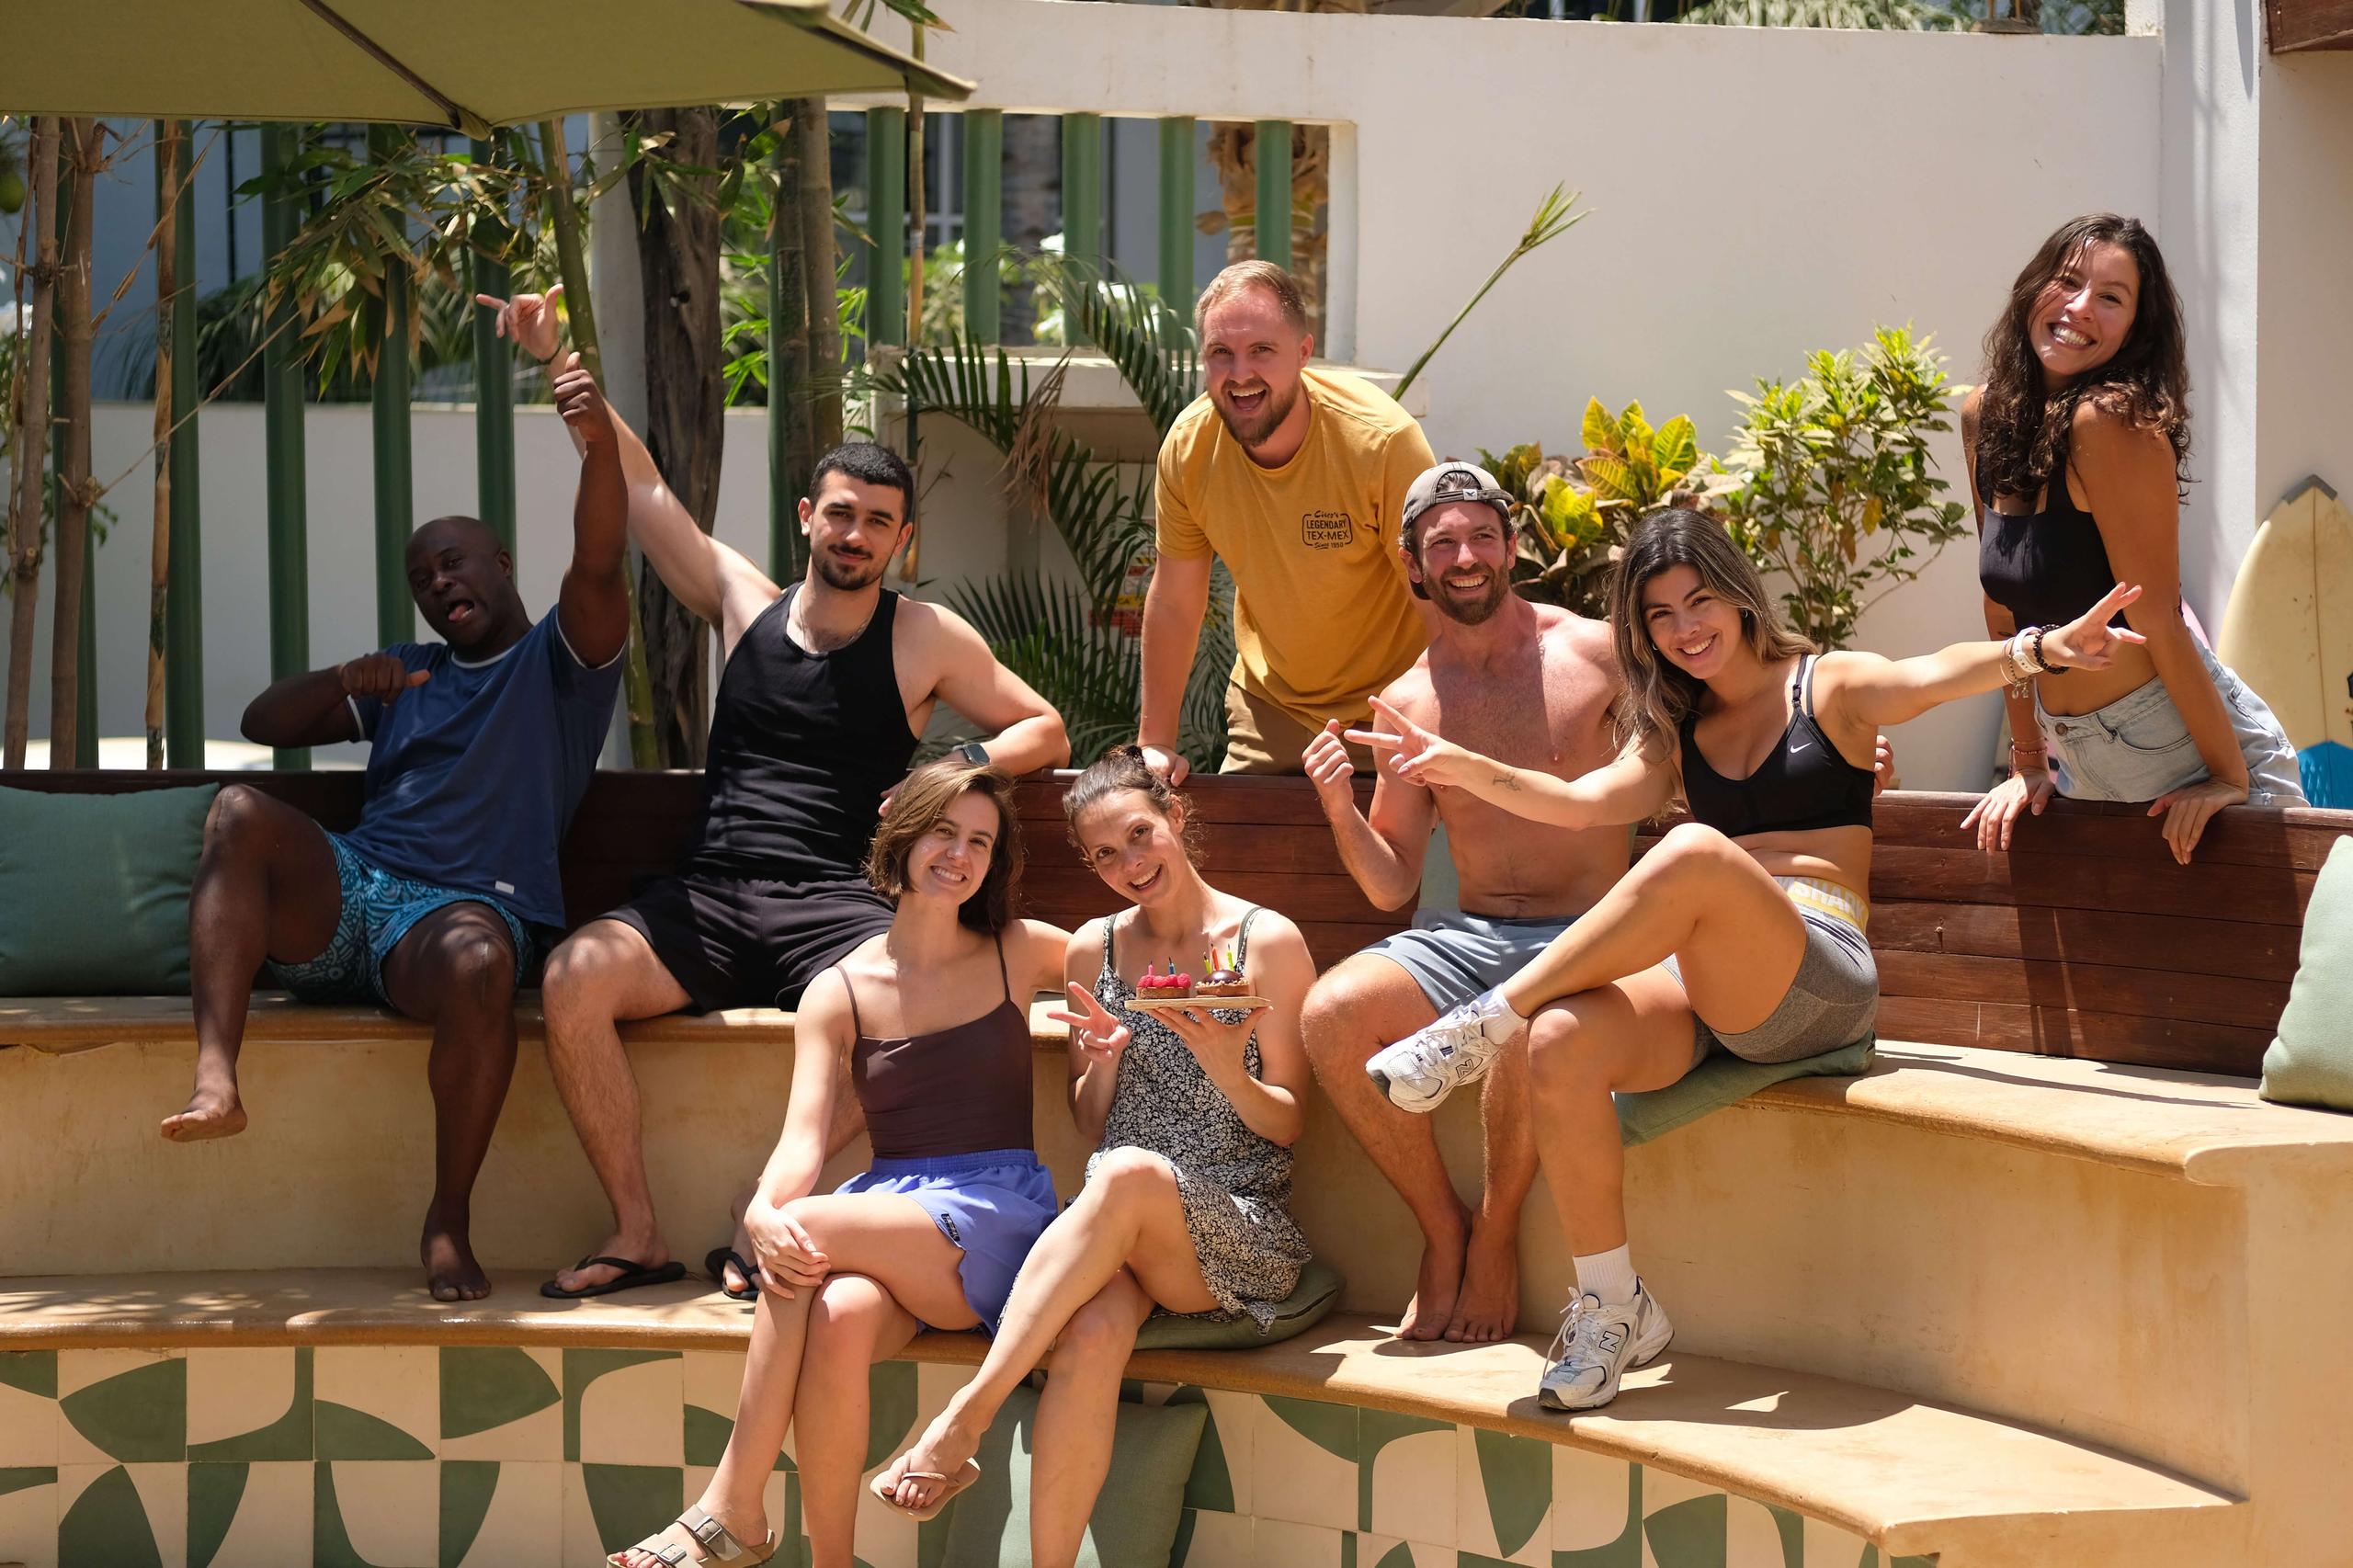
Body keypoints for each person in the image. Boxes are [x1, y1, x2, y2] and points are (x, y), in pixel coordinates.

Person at [1356, 508, 2143, 1410]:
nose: (1684, 628)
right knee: (1561, 1038)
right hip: (1712, 985)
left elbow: (1927, 675)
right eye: (1658, 615)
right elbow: (1579, 802)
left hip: (1820, 972)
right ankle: (1614, 1304)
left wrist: (2038, 650)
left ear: (1736, 596)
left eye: (1698, 602)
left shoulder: (1828, 685)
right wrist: (1464, 766)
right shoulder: (1672, 730)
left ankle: (1480, 1020)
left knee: (1690, 851)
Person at [475, 290, 1069, 1301]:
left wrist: (947, 770)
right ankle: (635, 1228)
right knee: (574, 978)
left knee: (896, 1010)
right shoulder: (740, 599)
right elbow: (647, 488)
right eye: (840, 513)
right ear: (809, 515)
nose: (855, 534)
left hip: (839, 903)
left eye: (878, 523)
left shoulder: (922, 635)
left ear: (900, 540)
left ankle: (771, 1220)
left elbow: (1045, 728)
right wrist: (559, 363)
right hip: (710, 896)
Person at [161, 355, 629, 1303]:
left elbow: (599, 558)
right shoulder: (408, 677)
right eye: (421, 575)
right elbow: (262, 724)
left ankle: (447, 1218)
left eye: (453, 561)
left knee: (479, 962)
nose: (437, 581)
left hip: (460, 921)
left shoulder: (562, 663)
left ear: (501, 563)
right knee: (240, 810)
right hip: (354, 896)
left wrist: (597, 444)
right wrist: (345, 680)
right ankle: (217, 1076)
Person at [606, 759, 1069, 1568]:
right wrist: (758, 1213)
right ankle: (832, 1562)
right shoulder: (837, 990)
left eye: (980, 843)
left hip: (998, 1214)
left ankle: (732, 1509)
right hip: (892, 1219)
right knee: (837, 1315)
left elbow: (1135, 963)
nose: (959, 854)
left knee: (806, 1222)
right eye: (943, 832)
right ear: (902, 836)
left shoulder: (1017, 952)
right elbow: (803, 1142)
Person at [871, 748, 1316, 1558]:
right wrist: (1104, 1062)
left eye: (1141, 835)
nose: (1130, 864)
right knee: (1088, 1335)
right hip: (1116, 1226)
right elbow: (1090, 1120)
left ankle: (962, 1419)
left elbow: (1288, 1124)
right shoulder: (1093, 951)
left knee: (1126, 1171)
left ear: (1176, 819)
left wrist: (1224, 1065)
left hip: (1232, 1231)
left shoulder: (1266, 941)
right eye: (1105, 854)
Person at [1961, 212, 2302, 863]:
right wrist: (2027, 762)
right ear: (2034, 288)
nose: (2081, 307)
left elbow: (2160, 620)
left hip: (2186, 746)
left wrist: (2229, 777)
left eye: (2111, 298)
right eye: (2067, 282)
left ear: (2133, 331)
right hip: (2080, 751)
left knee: (2270, 962)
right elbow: (2003, 613)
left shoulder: (2111, 423)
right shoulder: (1986, 414)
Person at [1137, 260, 1437, 780]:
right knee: (1249, 860)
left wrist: (1446, 722)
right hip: (1269, 707)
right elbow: (1175, 601)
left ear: (1303, 353)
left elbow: (1437, 596)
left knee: (1388, 862)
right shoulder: (1188, 448)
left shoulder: (1381, 441)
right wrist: (1155, 744)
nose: (1239, 374)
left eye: (1262, 351)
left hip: (1390, 710)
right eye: (1220, 354)